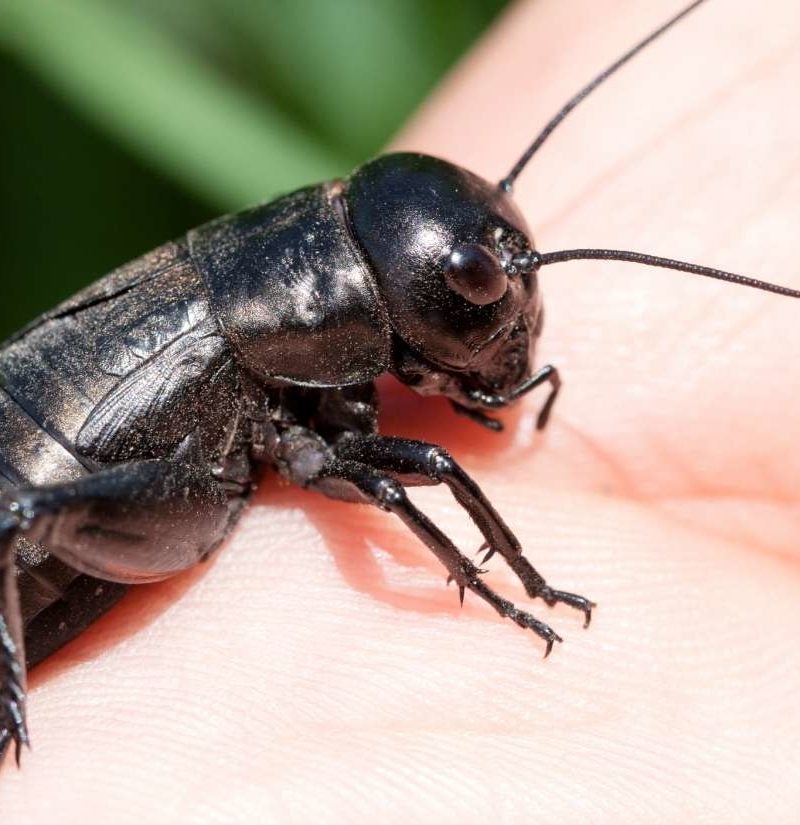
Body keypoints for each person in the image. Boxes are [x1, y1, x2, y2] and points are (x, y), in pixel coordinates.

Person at [4, 1, 799, 820]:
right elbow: (416, 473)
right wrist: (515, 584)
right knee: (30, 516)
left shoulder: (297, 281)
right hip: (32, 528)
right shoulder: (284, 351)